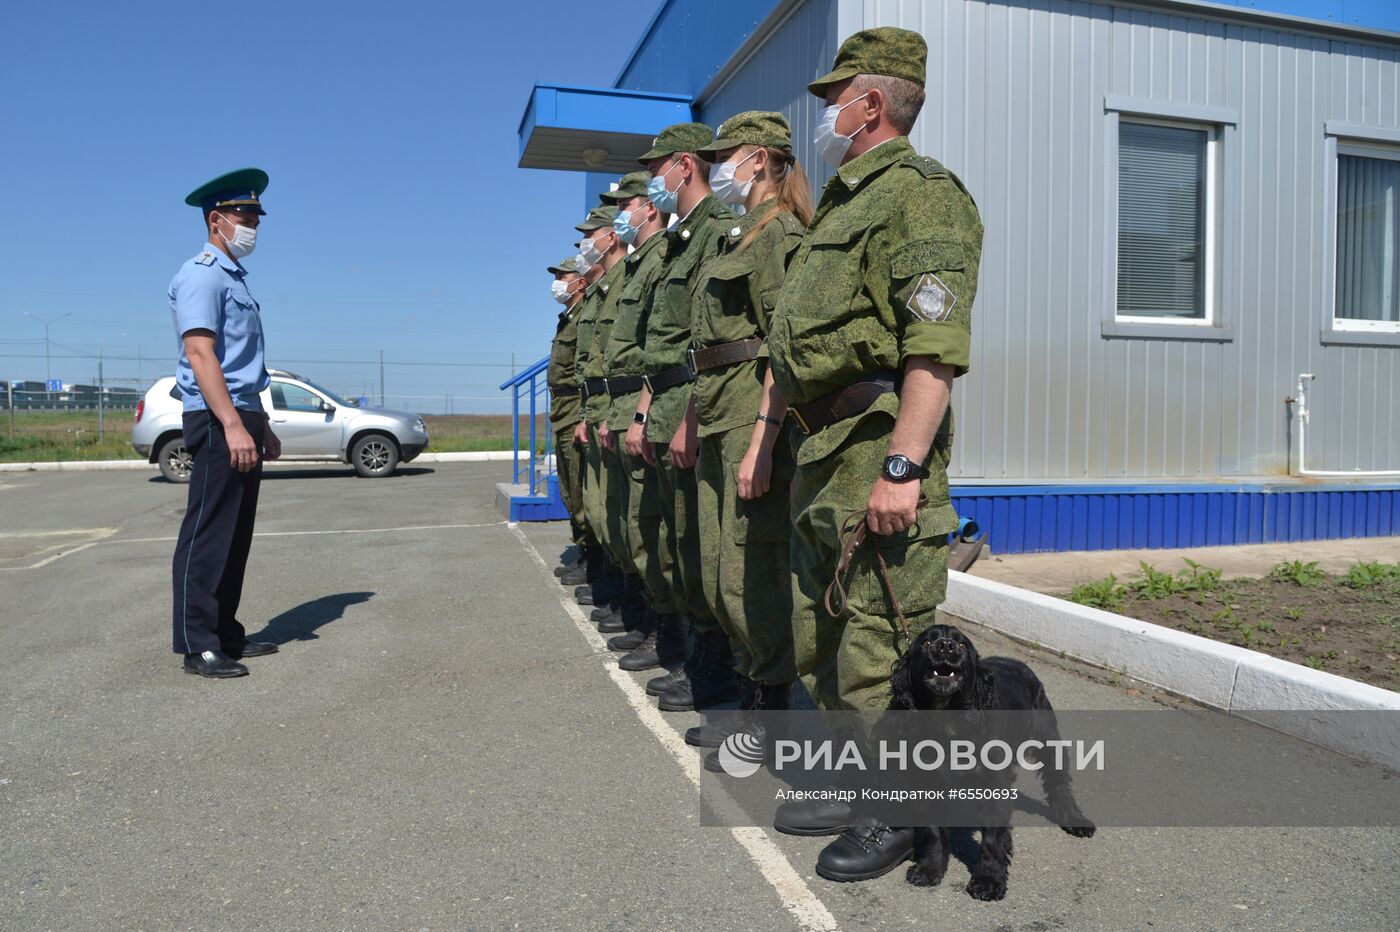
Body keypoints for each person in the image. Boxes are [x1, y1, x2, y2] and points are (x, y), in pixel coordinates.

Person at [766, 27, 984, 879]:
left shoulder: (921, 196)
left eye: (836, 96)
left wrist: (902, 468)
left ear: (874, 103)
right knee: (825, 638)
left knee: (881, 650)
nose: (825, 111)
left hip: (872, 449)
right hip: (824, 450)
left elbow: (935, 348)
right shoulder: (848, 200)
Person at [686, 111, 812, 761]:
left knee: (749, 572)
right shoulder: (742, 235)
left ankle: (772, 718)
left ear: (759, 159)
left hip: (748, 420)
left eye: (728, 155)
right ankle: (748, 695)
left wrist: (765, 439)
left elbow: (783, 351)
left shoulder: (781, 235)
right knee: (717, 571)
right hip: (717, 411)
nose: (720, 168)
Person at [635, 123, 742, 713]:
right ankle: (697, 659)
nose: (655, 180)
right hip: (669, 402)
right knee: (677, 541)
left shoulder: (714, 233)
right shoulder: (678, 241)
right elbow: (658, 340)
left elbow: (708, 338)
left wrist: (687, 418)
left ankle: (715, 672)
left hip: (695, 405)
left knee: (703, 550)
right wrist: (645, 410)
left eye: (658, 169)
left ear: (683, 164)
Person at [168, 168, 283, 678]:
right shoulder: (201, 274)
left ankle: (225, 633)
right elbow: (201, 353)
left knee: (236, 535)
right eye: (244, 214)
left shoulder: (233, 277)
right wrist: (233, 425)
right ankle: (199, 643)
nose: (253, 223)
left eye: (257, 215)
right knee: (209, 533)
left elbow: (244, 363)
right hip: (219, 419)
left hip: (242, 414)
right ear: (216, 219)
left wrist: (261, 424)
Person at [595, 171, 685, 673]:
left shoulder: (664, 256)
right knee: (631, 523)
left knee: (660, 533)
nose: (619, 217)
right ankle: (648, 619)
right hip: (626, 404)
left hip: (659, 406)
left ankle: (670, 636)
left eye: (625, 206)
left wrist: (638, 414)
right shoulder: (635, 268)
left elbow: (665, 346)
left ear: (648, 209)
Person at [571, 205, 629, 608]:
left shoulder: (625, 280)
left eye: (592, 234)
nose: (586, 245)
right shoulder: (600, 290)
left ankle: (644, 610)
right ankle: (615, 584)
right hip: (598, 408)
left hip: (623, 407)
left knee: (626, 515)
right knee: (601, 507)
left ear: (611, 237)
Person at [546, 255, 593, 585]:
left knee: (579, 489)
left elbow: (584, 370)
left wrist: (584, 415)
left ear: (580, 282)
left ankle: (594, 561)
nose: (558, 285)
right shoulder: (567, 319)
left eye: (564, 278)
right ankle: (584, 552)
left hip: (575, 407)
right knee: (567, 488)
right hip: (561, 409)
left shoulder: (582, 320)